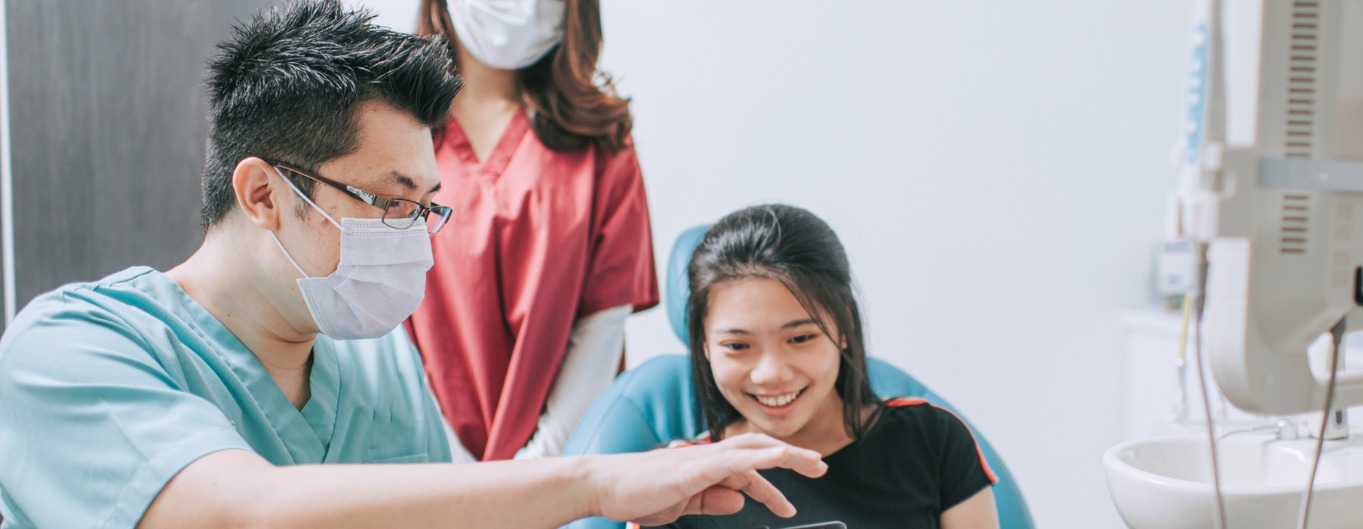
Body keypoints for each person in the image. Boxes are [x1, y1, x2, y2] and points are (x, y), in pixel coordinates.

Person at [0, 3, 823, 528]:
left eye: (428, 206)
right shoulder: (70, 351)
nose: (417, 238)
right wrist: (593, 484)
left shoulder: (382, 370)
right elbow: (240, 515)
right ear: (261, 193)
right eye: (391, 201)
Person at [404, 0, 657, 463]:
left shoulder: (603, 142)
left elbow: (601, 325)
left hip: (567, 459)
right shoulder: (393, 129)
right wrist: (453, 468)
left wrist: (540, 467)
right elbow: (379, 319)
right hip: (426, 452)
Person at [644, 205, 1001, 529]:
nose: (771, 374)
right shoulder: (675, 482)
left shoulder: (930, 440)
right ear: (704, 345)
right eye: (738, 345)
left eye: (800, 338)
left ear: (844, 325)